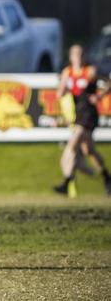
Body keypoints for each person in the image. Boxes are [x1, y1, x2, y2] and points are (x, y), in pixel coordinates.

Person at [53, 44, 111, 197]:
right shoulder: (68, 72)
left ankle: (67, 182)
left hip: (89, 115)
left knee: (72, 145)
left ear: (84, 56)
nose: (78, 57)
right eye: (75, 54)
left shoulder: (90, 71)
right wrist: (62, 90)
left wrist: (99, 96)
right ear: (71, 56)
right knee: (88, 150)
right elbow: (60, 92)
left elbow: (108, 82)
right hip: (77, 115)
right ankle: (107, 178)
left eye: (80, 54)